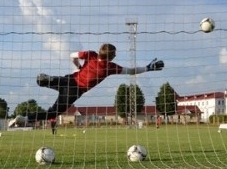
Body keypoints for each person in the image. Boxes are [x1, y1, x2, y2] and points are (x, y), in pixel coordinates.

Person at [28, 43, 164, 121]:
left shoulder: (91, 54)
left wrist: (78, 66)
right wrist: (148, 68)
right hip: (74, 90)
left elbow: (72, 56)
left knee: (43, 82)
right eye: (115, 53)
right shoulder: (110, 67)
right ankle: (26, 119)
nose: (116, 55)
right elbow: (131, 71)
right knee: (53, 113)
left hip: (69, 78)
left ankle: (47, 80)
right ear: (111, 57)